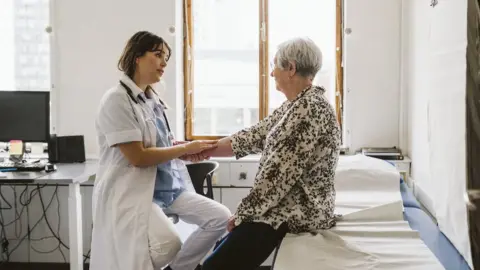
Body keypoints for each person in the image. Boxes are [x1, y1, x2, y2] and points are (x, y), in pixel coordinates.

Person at [90, 31, 231, 270]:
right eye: (158, 55)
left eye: (166, 57)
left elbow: (160, 144)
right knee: (167, 245)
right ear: (137, 56)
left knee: (221, 219)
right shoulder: (117, 100)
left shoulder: (151, 99)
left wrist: (183, 151)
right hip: (133, 193)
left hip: (167, 188)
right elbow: (138, 156)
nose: (164, 62)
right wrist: (185, 148)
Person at [200, 37, 342, 270]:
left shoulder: (308, 109)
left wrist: (243, 214)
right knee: (220, 254)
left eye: (275, 65)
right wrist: (203, 150)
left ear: (291, 69)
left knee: (216, 265)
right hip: (282, 207)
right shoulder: (296, 104)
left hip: (296, 211)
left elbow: (277, 177)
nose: (272, 73)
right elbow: (254, 135)